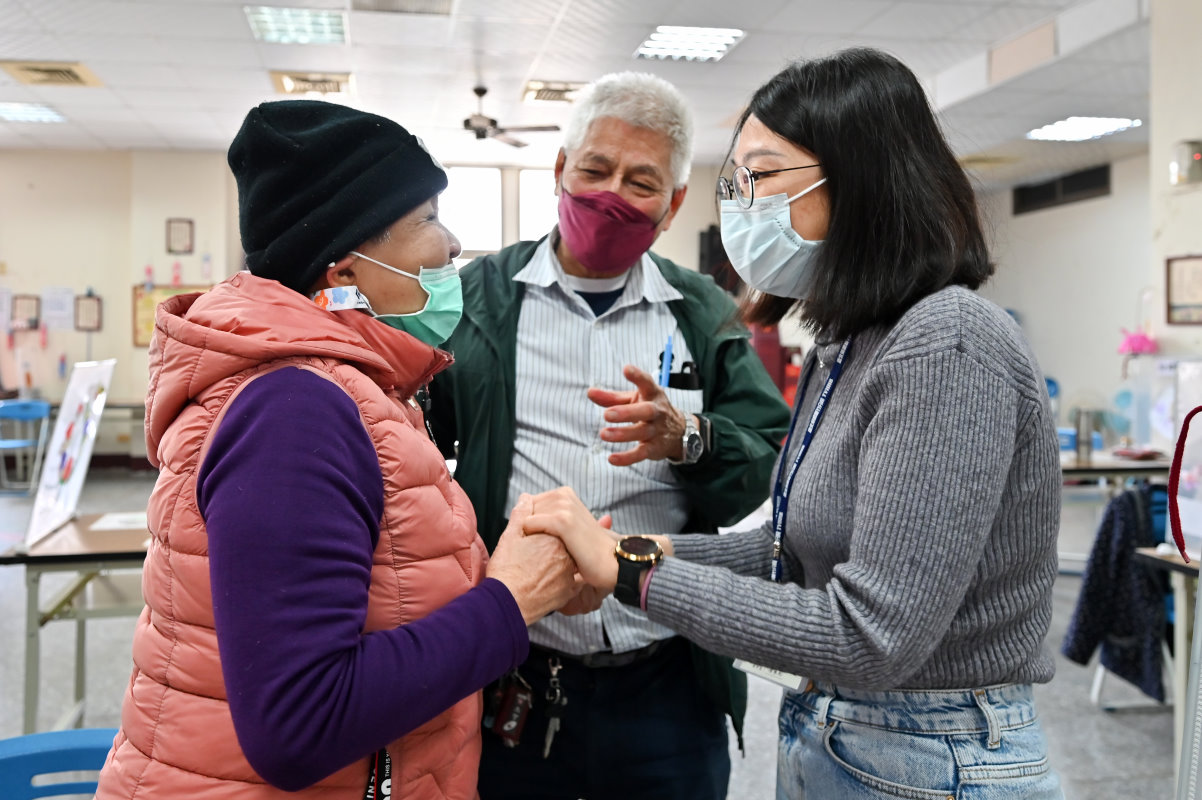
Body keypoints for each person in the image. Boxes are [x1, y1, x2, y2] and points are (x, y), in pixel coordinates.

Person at [523, 48, 1065, 800]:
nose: (740, 202)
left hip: (932, 751)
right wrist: (625, 549)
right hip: (852, 738)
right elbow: (786, 552)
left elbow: (869, 636)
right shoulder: (847, 346)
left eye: (762, 176)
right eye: (734, 180)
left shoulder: (948, 340)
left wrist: (635, 575)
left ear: (861, 184)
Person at [95, 100, 580, 799]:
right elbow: (300, 725)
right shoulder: (294, 411)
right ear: (343, 272)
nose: (451, 244)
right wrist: (511, 602)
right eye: (426, 221)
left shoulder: (347, 391)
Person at [427, 72, 791, 799]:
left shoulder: (702, 310)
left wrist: (691, 438)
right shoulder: (474, 300)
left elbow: (766, 459)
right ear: (560, 169)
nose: (611, 194)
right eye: (594, 169)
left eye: (641, 181)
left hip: (665, 678)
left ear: (675, 202)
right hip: (516, 675)